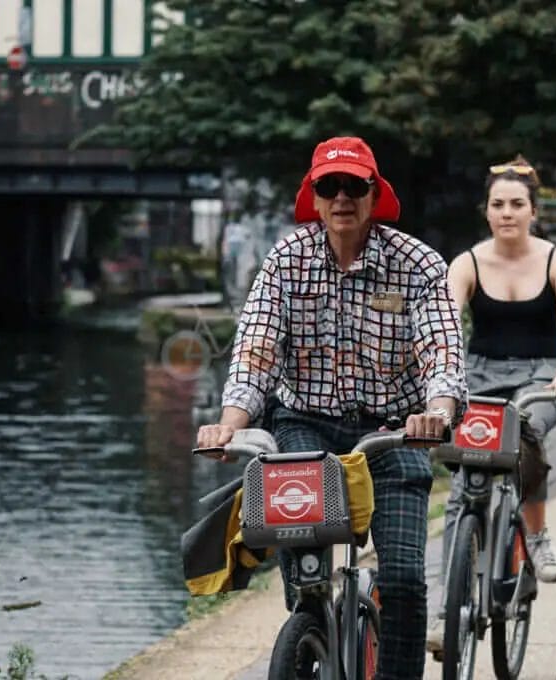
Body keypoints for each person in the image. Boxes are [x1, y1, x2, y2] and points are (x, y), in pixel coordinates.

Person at [195, 136, 467, 680]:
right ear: (314, 198)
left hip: (395, 432)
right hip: (304, 426)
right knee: (304, 573)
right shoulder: (286, 259)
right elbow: (256, 349)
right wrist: (229, 424)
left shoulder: (418, 264)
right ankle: (312, 634)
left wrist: (436, 409)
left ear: (374, 193)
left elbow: (441, 347)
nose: (342, 197)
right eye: (329, 186)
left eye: (353, 185)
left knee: (406, 583)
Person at [426, 157, 556, 651]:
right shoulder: (467, 263)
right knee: (461, 489)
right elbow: (445, 330)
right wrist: (438, 385)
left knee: (525, 431)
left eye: (517, 204)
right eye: (498, 204)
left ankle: (535, 536)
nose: (507, 213)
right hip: (478, 376)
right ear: (487, 211)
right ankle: (444, 613)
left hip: (541, 376)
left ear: (532, 210)